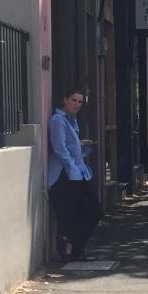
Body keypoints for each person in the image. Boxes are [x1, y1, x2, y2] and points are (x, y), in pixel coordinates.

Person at [47, 88, 103, 262]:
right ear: (65, 100)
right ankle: (70, 248)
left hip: (77, 172)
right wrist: (73, 169)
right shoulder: (58, 120)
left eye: (80, 102)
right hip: (64, 175)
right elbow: (60, 149)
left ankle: (73, 245)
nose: (77, 104)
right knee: (71, 213)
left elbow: (69, 145)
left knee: (93, 211)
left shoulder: (72, 120)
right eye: (74, 100)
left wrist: (81, 145)